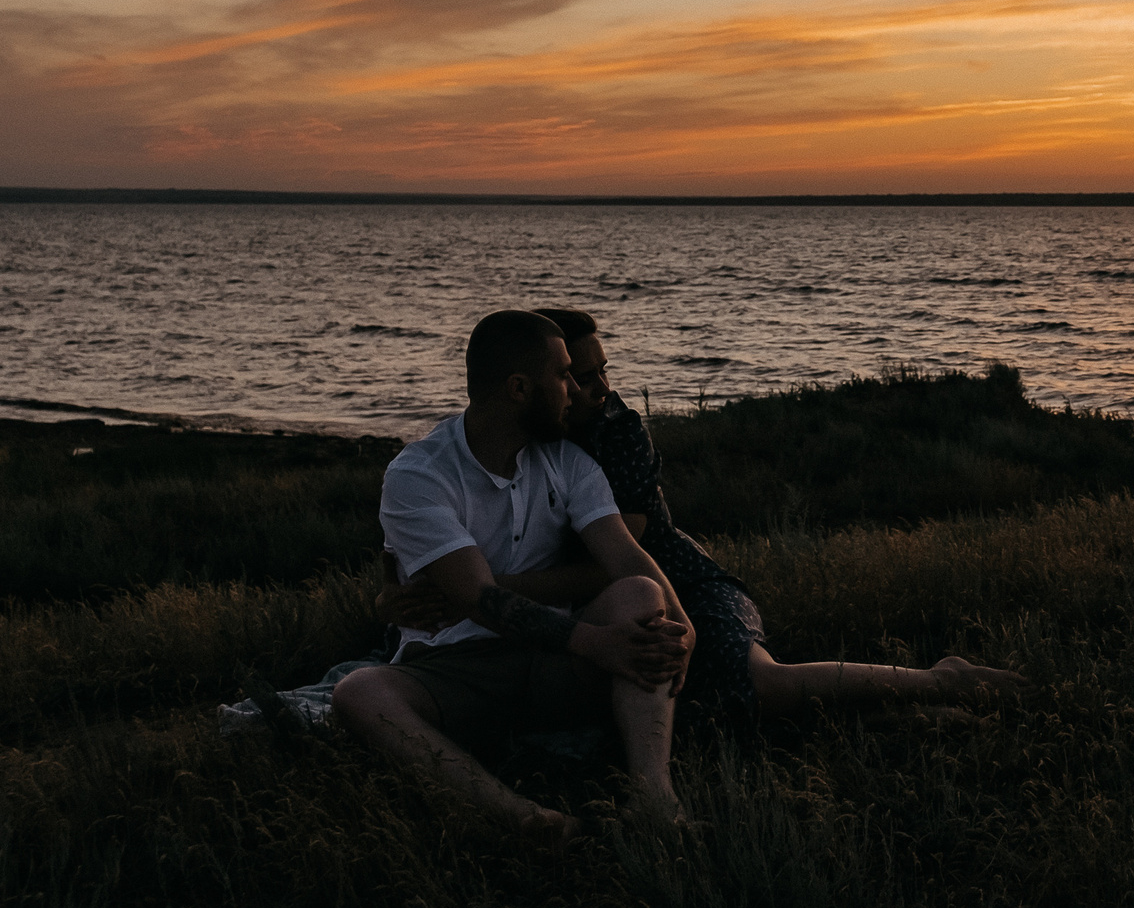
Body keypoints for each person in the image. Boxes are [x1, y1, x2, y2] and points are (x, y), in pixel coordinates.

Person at [386, 308, 1023, 722]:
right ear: (527, 382)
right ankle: (897, 713)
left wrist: (476, 592)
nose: (594, 390)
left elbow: (618, 562)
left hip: (676, 580)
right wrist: (415, 595)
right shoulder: (509, 441)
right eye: (576, 375)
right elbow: (429, 545)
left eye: (600, 373)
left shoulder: (615, 436)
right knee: (700, 710)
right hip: (590, 607)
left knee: (758, 684)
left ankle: (936, 682)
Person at [330, 310, 697, 838]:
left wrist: (684, 628)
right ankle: (529, 821)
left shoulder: (567, 462)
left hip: (553, 664)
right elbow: (479, 599)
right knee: (359, 693)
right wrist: (597, 643)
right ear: (519, 388)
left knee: (641, 593)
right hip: (455, 670)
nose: (576, 390)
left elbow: (624, 556)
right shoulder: (420, 474)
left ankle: (656, 802)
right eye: (563, 375)